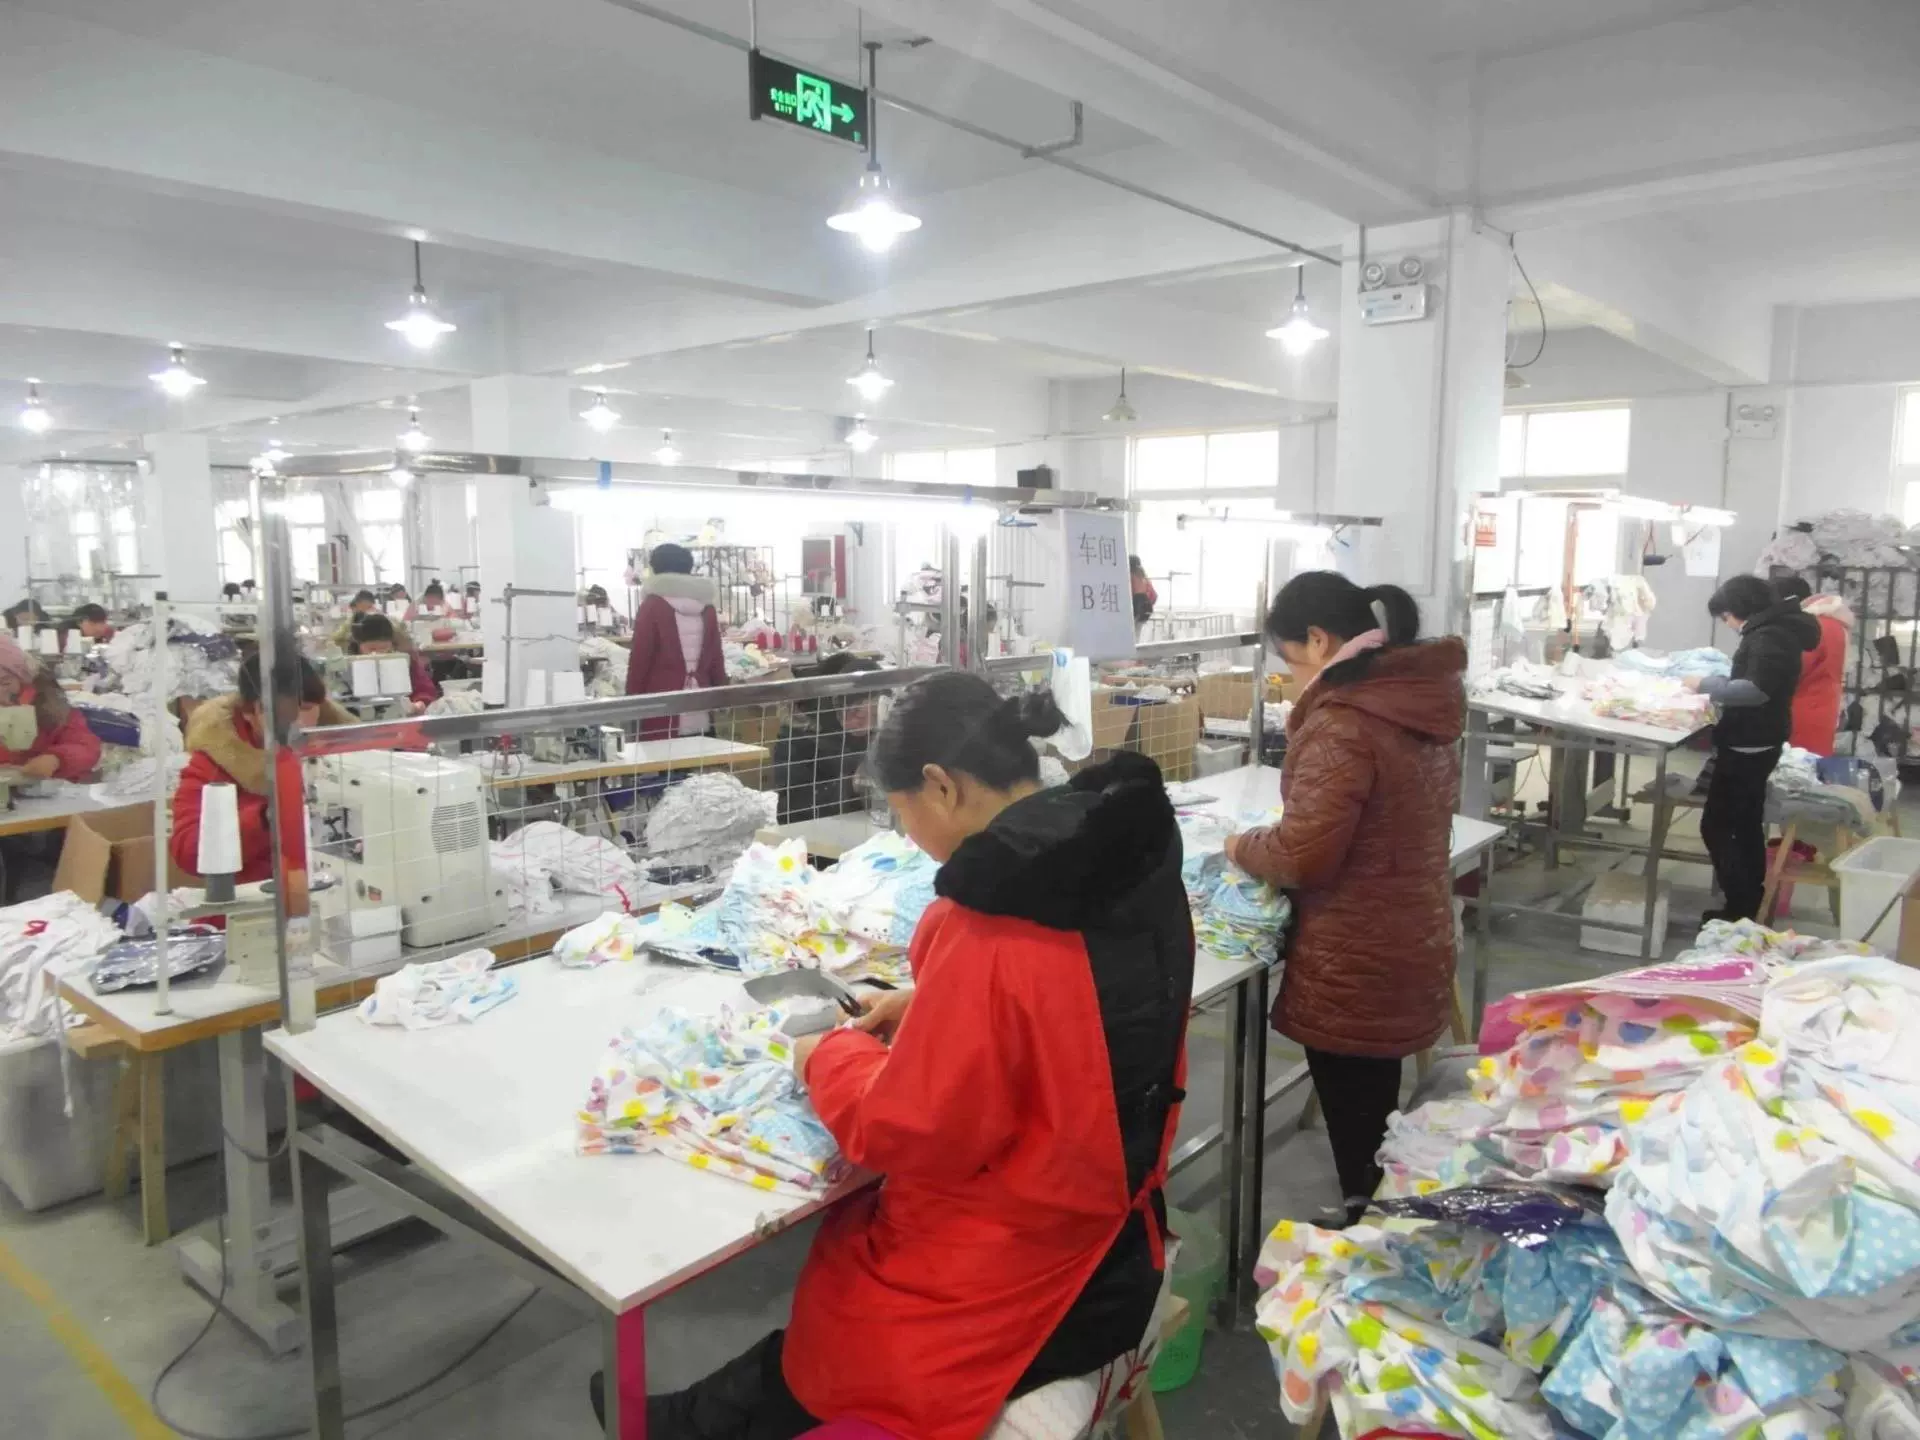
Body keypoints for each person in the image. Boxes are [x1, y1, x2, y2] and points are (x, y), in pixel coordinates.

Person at [611, 673, 1193, 1440]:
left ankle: (697, 1423)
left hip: (1038, 1260)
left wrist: (824, 1053)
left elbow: (903, 1128)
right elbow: (1082, 1007)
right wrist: (932, 1000)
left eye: (901, 811)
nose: (907, 833)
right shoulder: (1117, 863)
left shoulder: (998, 922)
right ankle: (700, 1415)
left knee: (854, 1314)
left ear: (941, 785)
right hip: (1107, 1208)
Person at [1224, 572, 1466, 1226]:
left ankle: (1371, 1232)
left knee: (1359, 1113)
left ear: (1318, 639)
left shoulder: (1346, 720)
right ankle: (1378, 1213)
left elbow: (1303, 854)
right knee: (1374, 1106)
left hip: (1356, 950)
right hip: (1408, 929)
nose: (1294, 678)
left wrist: (1241, 846)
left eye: (1291, 660)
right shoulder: (1413, 700)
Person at [1685, 575, 1820, 926]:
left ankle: (1740, 906)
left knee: (1718, 826)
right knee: (1744, 822)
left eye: (1726, 617)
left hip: (1749, 742)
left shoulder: (1768, 636)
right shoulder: (1778, 630)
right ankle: (1750, 901)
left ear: (1739, 609)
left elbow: (1755, 690)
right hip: (1759, 738)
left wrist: (1706, 685)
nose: (1729, 625)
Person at [171, 652, 351, 909]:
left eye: (307, 708)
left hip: (338, 899)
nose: (297, 722)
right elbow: (189, 852)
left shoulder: (348, 751)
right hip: (255, 907)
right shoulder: (213, 765)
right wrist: (264, 818)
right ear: (249, 713)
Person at [624, 543, 726, 739]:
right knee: (700, 755)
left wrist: (631, 702)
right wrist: (721, 695)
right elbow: (716, 659)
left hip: (662, 705)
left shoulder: (652, 606)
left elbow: (639, 661)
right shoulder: (707, 608)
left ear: (655, 569)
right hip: (700, 702)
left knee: (662, 756)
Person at [772, 651, 881, 822]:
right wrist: (851, 785)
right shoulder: (798, 737)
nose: (853, 721)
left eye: (874, 714)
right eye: (855, 712)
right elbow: (790, 809)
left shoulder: (880, 728)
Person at [0, 632, 102, 781]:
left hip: (42, 788)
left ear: (22, 676)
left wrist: (57, 759)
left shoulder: (51, 706)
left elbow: (85, 746)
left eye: (4, 682)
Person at [1770, 575, 1852, 756]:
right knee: (1813, 762)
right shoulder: (1833, 624)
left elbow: (1791, 669)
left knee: (1797, 765)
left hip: (1803, 710)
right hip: (1822, 706)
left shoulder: (1811, 627)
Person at [348, 612, 441, 712]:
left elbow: (424, 690)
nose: (377, 653)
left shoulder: (405, 661)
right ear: (358, 647)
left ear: (392, 645)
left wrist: (420, 703)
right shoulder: (346, 665)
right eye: (371, 648)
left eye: (383, 648)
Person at [1129, 555, 1157, 626]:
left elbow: (1129, 592)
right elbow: (1154, 595)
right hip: (1146, 604)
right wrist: (1148, 603)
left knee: (1131, 627)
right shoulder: (1144, 576)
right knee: (1138, 628)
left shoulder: (1130, 575)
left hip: (1137, 602)